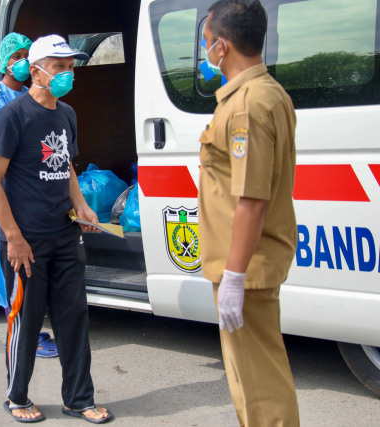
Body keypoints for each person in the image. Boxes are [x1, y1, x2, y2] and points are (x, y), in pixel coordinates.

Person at [0, 34, 113, 424]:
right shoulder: (13, 116)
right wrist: (14, 237)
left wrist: (83, 206)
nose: (67, 74)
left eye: (70, 68)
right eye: (59, 67)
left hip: (65, 234)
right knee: (26, 321)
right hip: (28, 239)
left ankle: (79, 398)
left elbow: (66, 165)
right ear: (36, 71)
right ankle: (17, 396)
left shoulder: (66, 114)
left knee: (74, 319)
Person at [197, 1, 300, 425]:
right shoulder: (263, 93)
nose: (205, 53)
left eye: (206, 44)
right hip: (245, 262)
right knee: (249, 379)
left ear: (223, 46)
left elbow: (252, 199)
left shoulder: (247, 105)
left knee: (259, 385)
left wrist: (235, 277)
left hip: (246, 266)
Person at [0, 32, 58, 359]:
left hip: (34, 197)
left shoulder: (29, 96)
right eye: (17, 56)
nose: (23, 62)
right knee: (16, 269)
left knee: (32, 269)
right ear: (5, 63)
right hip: (9, 197)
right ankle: (23, 335)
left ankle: (30, 329)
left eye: (28, 55)